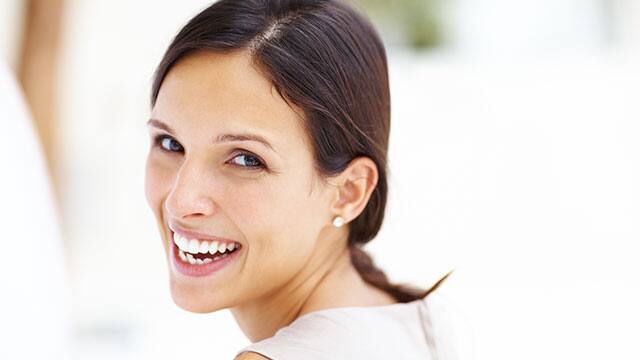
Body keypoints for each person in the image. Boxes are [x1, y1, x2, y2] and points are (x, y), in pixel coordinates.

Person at [144, 1, 456, 358]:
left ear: (348, 192)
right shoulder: (416, 321)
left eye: (246, 159)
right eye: (169, 143)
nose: (180, 201)